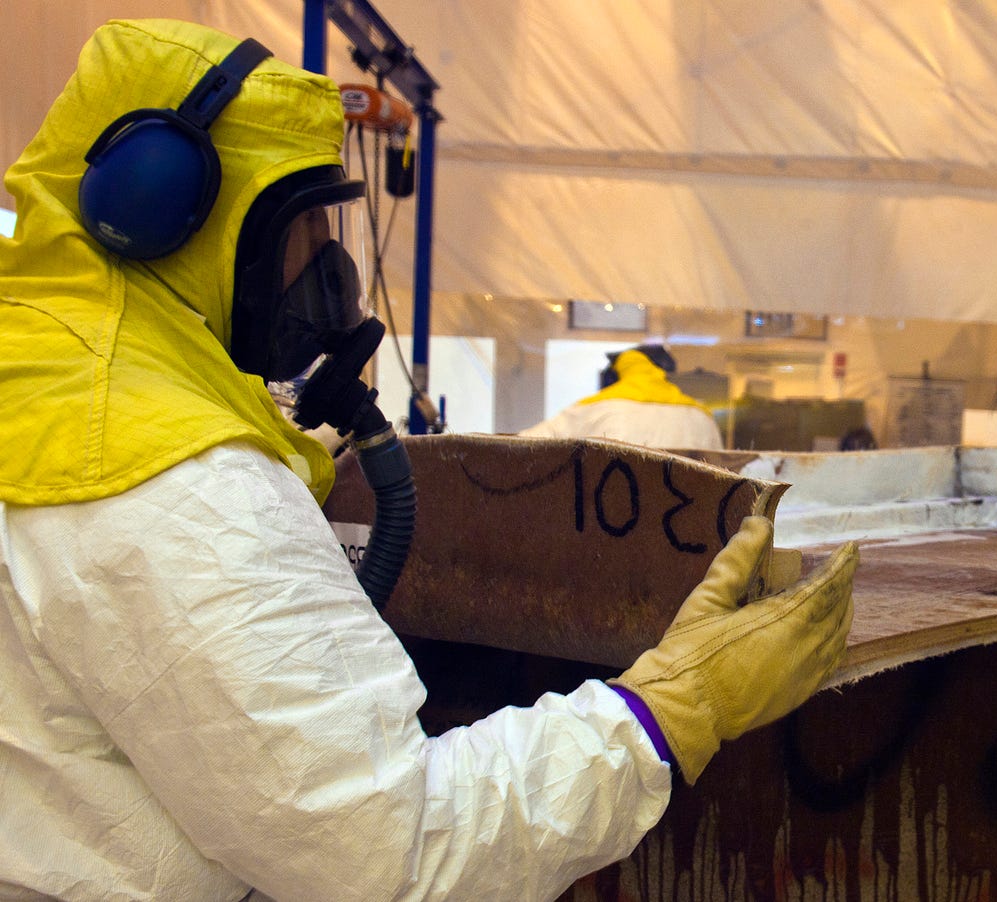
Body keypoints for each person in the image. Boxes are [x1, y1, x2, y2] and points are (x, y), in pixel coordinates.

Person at [0, 19, 856, 901]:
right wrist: (668, 711)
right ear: (152, 211)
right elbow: (390, 850)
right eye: (298, 225)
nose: (323, 267)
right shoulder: (180, 488)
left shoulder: (41, 388)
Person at [521, 344, 726, 449]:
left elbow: (522, 444)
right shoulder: (701, 417)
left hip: (610, 518)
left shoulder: (595, 408)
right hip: (683, 520)